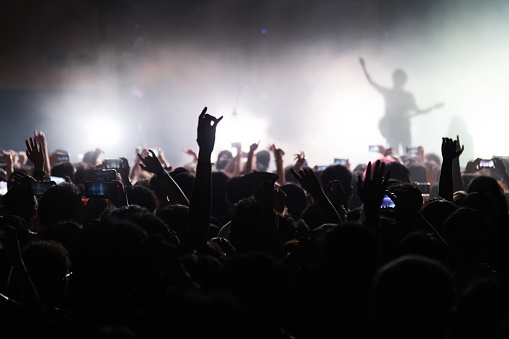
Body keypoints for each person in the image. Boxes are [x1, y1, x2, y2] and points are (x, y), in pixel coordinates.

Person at [359, 57, 443, 155]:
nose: (397, 80)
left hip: (404, 127)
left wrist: (430, 109)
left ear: (403, 80)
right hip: (392, 126)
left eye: (399, 78)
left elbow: (417, 110)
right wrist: (363, 68)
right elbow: (372, 82)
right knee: (393, 152)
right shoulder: (389, 93)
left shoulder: (408, 96)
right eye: (396, 78)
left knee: (407, 152)